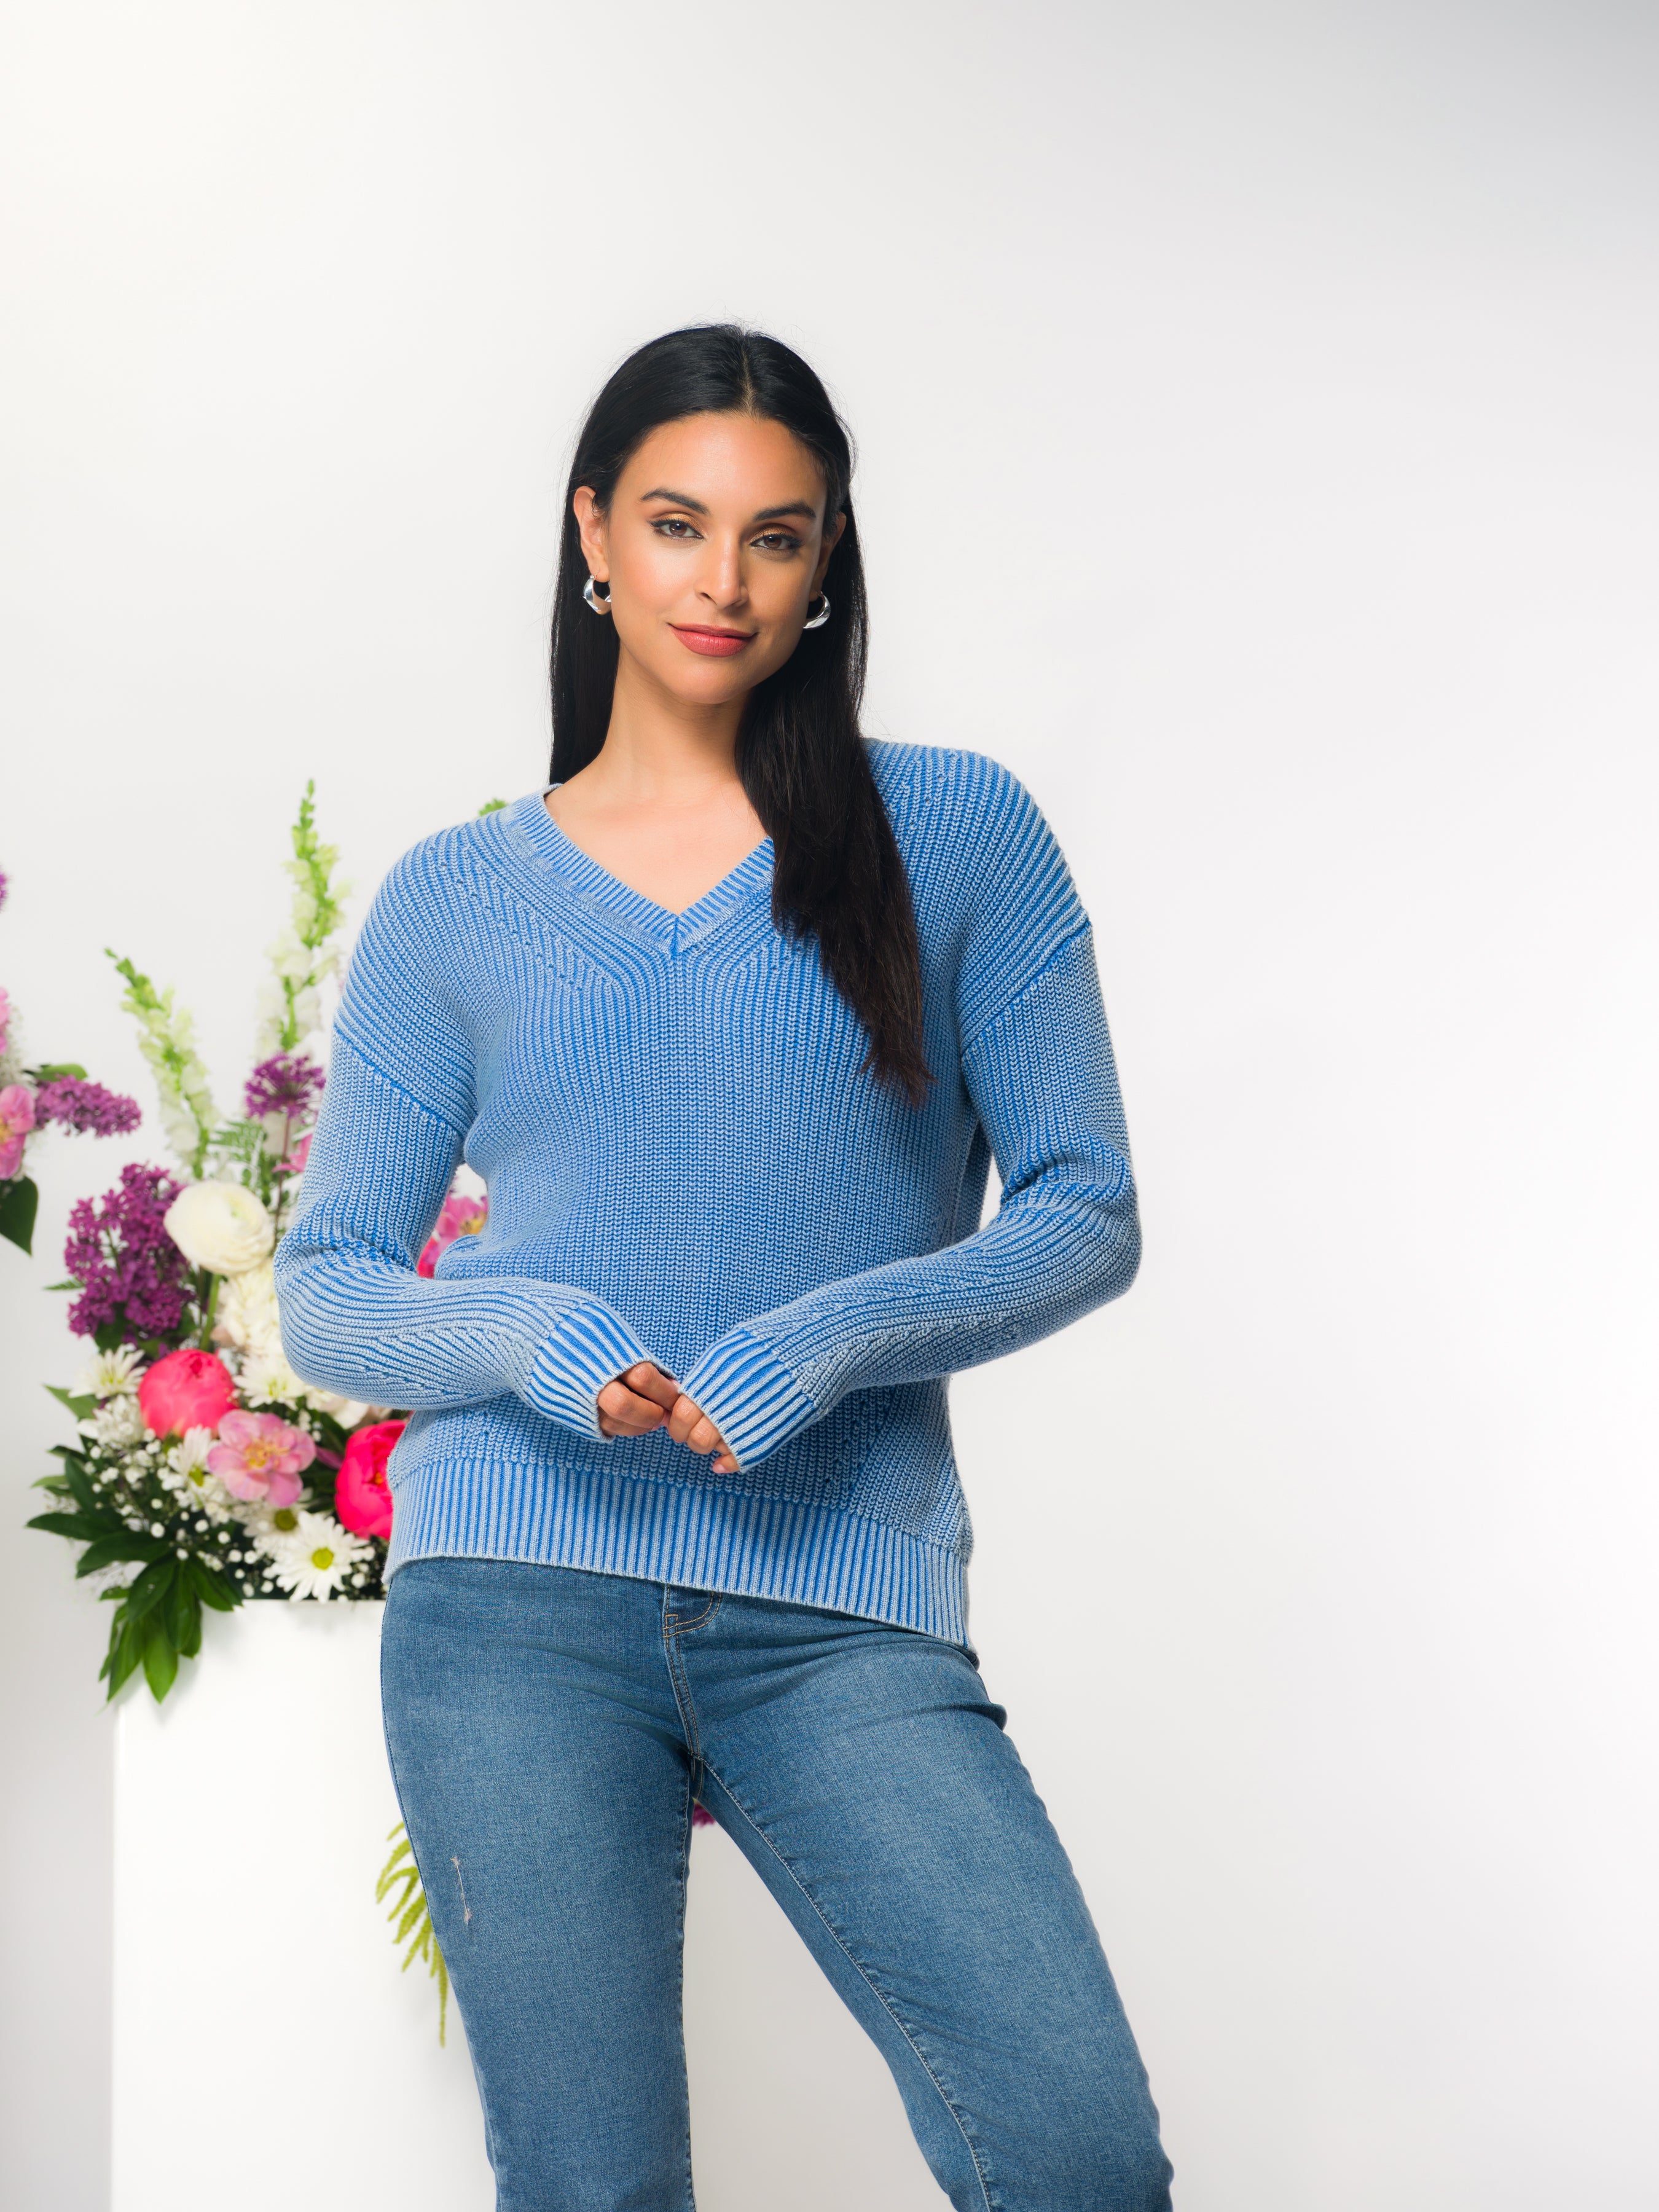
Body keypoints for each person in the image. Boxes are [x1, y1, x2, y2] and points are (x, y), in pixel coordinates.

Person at [275, 324, 1172, 2211]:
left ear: (827, 560)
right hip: (512, 1602)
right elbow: (331, 1285)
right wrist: (529, 1336)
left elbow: (1083, 1207)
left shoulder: (954, 834)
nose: (724, 580)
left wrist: (819, 1343)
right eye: (678, 524)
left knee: (1073, 2154)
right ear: (593, 535)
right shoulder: (458, 899)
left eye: (778, 535)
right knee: (592, 2189)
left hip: (835, 1597)